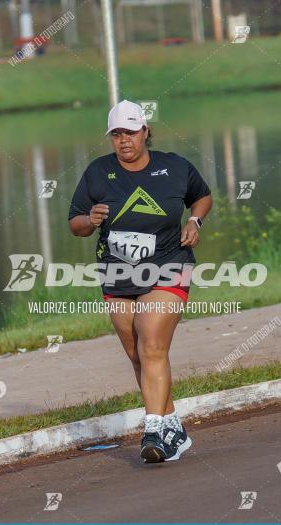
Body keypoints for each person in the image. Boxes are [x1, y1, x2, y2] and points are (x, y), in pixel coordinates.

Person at [68, 100, 213, 463]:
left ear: (145, 131)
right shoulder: (98, 173)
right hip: (117, 272)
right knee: (138, 354)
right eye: (116, 134)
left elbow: (203, 197)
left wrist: (195, 222)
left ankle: (152, 431)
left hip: (169, 264)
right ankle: (173, 428)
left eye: (130, 132)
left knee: (150, 342)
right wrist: (90, 218)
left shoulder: (175, 166)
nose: (123, 140)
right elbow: (75, 226)